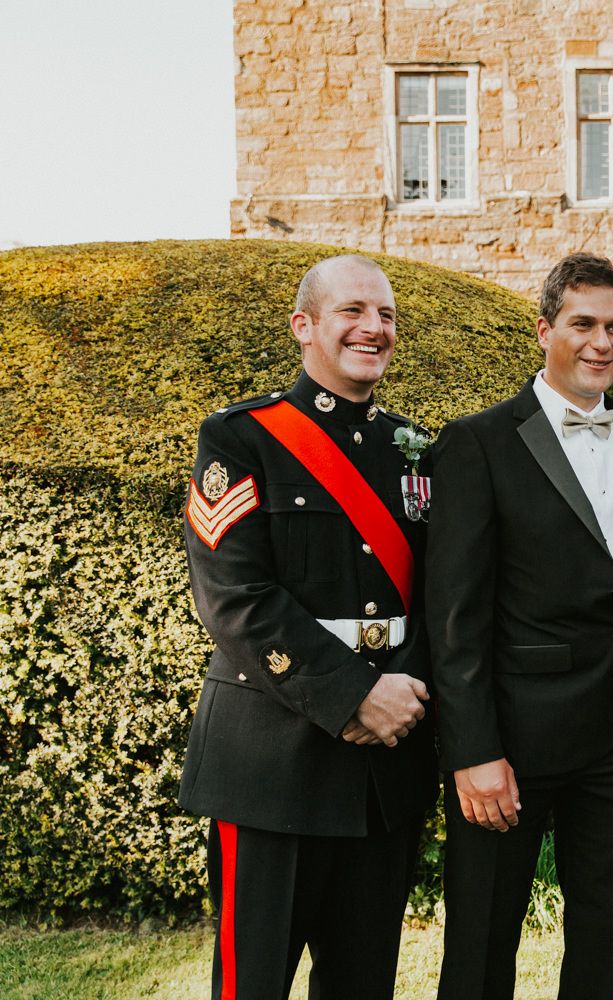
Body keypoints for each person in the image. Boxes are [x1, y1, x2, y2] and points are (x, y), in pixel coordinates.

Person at [178, 254, 436, 999]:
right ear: (305, 326)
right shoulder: (240, 439)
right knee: (253, 984)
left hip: (382, 774)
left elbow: (443, 594)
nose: (373, 327)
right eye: (352, 311)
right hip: (271, 765)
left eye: (386, 315)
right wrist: (356, 696)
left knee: (362, 985)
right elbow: (234, 597)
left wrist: (407, 692)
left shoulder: (415, 450)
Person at [426, 253, 613, 999]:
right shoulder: (478, 442)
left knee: (612, 940)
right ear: (544, 330)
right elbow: (454, 615)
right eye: (582, 324)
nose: (602, 342)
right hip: (513, 740)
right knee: (482, 940)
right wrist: (473, 750)